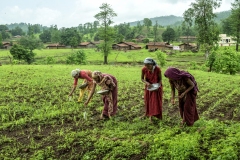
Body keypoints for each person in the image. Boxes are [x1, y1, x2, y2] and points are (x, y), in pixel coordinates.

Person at [141, 57, 163, 122]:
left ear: (152, 64)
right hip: (149, 87)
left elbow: (160, 79)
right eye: (145, 65)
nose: (147, 67)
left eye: (148, 65)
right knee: (148, 101)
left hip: (157, 87)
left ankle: (157, 115)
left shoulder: (157, 69)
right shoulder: (144, 69)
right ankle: (149, 114)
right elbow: (142, 79)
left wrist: (157, 87)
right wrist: (147, 83)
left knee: (156, 102)